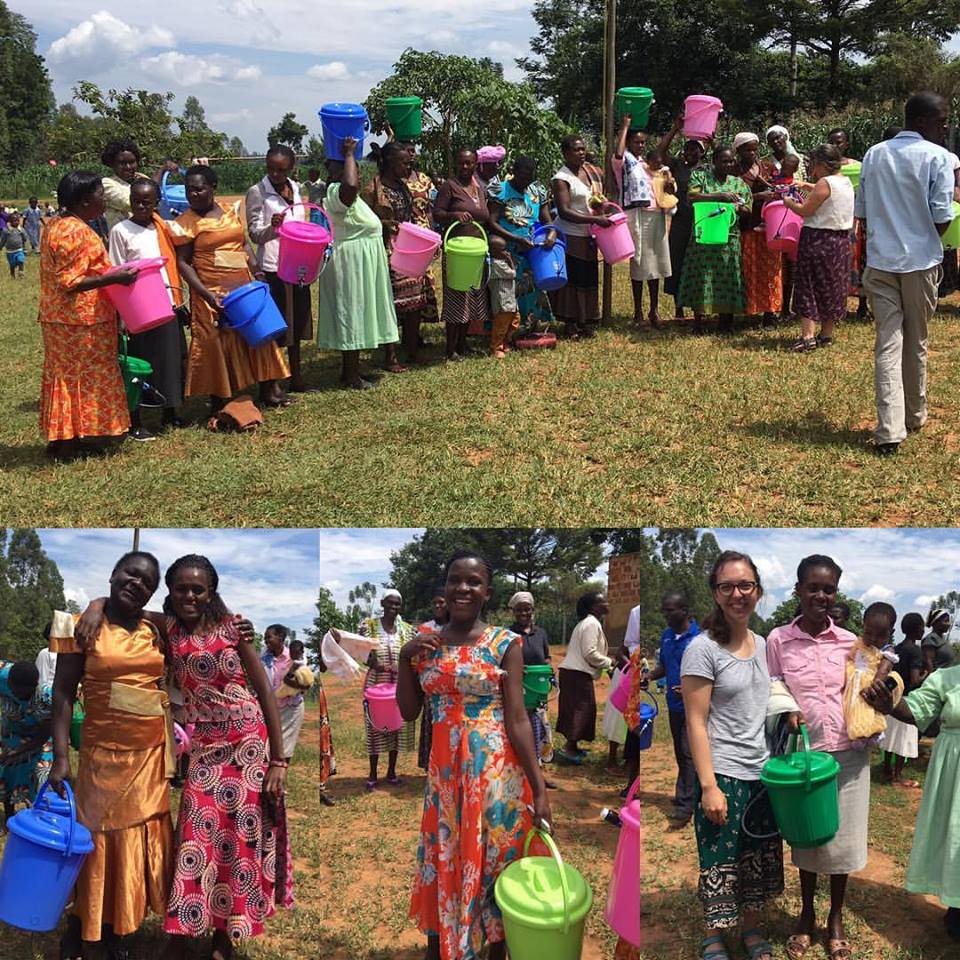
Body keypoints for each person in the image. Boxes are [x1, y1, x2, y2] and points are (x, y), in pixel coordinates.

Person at [397, 550, 552, 960]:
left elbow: (519, 719)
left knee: (496, 859)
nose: (462, 588)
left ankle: (493, 949)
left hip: (496, 775)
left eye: (473, 582)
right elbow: (409, 711)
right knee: (445, 853)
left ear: (487, 592)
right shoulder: (425, 639)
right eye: (455, 580)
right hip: (445, 777)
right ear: (445, 586)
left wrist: (540, 789)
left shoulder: (505, 643)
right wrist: (404, 657)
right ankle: (444, 944)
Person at [155, 554, 292, 960]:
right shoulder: (169, 629)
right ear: (171, 591)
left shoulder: (233, 627)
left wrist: (279, 761)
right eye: (181, 588)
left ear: (211, 591)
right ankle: (179, 934)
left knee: (238, 838)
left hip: (248, 742)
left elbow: (264, 689)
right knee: (196, 833)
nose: (190, 595)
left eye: (198, 588)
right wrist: (95, 606)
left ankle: (223, 937)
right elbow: (121, 606)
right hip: (206, 748)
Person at [48, 551, 173, 960]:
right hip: (103, 754)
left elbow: (189, 619)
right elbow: (64, 692)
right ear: (112, 574)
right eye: (130, 574)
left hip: (149, 755)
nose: (137, 583)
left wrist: (99, 603)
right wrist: (62, 758)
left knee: (134, 838)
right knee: (98, 838)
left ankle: (120, 924)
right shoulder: (78, 627)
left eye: (147, 582)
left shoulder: (153, 630)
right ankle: (84, 927)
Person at [681, 550, 781, 960]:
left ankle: (752, 930)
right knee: (720, 858)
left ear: (757, 590)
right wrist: (708, 786)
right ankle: (713, 934)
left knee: (756, 859)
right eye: (727, 586)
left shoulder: (763, 644)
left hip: (764, 773)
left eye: (745, 585)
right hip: (723, 772)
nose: (737, 594)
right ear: (715, 593)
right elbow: (696, 722)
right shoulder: (702, 649)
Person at [766, 555, 862, 960]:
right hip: (805, 755)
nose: (821, 596)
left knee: (842, 839)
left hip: (849, 754)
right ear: (798, 590)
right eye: (814, 588)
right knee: (808, 836)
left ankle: (834, 917)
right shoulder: (778, 640)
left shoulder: (850, 642)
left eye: (829, 589)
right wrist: (786, 707)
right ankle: (806, 914)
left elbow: (862, 688)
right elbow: (772, 684)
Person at [856, 92, 955, 455]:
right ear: (921, 122)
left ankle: (890, 429)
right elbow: (942, 215)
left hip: (881, 263)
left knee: (888, 343)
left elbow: (862, 211)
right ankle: (914, 414)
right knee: (917, 341)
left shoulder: (874, 154)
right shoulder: (937, 157)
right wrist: (924, 237)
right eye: (942, 121)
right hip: (920, 264)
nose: (945, 128)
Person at [171, 165, 289, 412]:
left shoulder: (228, 211)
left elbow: (243, 244)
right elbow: (183, 262)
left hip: (243, 287)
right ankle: (220, 399)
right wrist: (206, 294)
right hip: (211, 292)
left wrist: (257, 272)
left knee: (258, 333)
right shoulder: (185, 223)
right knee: (215, 342)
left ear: (213, 188)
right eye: (188, 190)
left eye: (199, 189)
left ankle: (269, 390)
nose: (193, 194)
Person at [39, 171, 138, 462]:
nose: (103, 200)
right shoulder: (75, 231)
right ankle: (70, 443)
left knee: (65, 378)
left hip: (62, 318)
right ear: (84, 201)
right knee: (81, 379)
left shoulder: (57, 224)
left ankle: (64, 439)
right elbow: (71, 281)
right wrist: (115, 278)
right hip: (81, 320)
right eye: (99, 195)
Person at [864, 657, 960, 942]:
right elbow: (916, 710)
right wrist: (889, 702)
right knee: (956, 835)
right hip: (955, 769)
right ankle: (957, 905)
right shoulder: (948, 677)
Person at [318, 136, 400, 389]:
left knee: (358, 310)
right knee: (350, 312)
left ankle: (351, 372)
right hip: (349, 262)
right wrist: (350, 154)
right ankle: (351, 376)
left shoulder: (344, 195)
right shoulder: (336, 191)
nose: (352, 170)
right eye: (345, 165)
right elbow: (351, 186)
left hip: (360, 260)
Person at [108, 178, 187, 437]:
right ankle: (135, 418)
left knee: (170, 360)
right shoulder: (121, 231)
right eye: (136, 201)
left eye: (147, 202)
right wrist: (122, 314)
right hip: (138, 307)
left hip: (167, 303)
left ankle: (170, 412)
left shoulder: (163, 228)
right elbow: (117, 269)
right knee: (138, 361)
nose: (141, 206)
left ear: (157, 203)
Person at [245, 144, 313, 393]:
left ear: (291, 169)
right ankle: (271, 383)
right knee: (276, 326)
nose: (275, 174)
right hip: (274, 266)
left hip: (297, 264)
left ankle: (297, 378)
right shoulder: (257, 192)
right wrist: (272, 228)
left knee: (296, 323)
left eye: (281, 170)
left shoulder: (295, 188)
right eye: (271, 169)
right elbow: (253, 234)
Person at [364, 141, 434, 366]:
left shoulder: (403, 187)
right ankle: (390, 355)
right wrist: (386, 225)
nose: (409, 167)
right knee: (390, 304)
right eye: (404, 163)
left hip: (407, 247)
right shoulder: (372, 189)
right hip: (384, 249)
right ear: (391, 163)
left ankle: (412, 349)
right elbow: (364, 221)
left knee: (415, 301)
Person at [782, 144, 855, 352]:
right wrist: (806, 184)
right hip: (840, 242)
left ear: (823, 164)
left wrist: (789, 203)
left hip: (818, 240)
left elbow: (805, 210)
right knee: (833, 286)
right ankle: (826, 335)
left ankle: (807, 337)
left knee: (809, 285)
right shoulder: (845, 181)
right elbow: (828, 194)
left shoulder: (824, 182)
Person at [678, 145, 753, 334]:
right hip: (704, 237)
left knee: (729, 276)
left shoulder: (739, 184)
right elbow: (692, 197)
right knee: (702, 276)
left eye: (731, 161)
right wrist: (719, 196)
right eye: (723, 161)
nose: (728, 164)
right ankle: (698, 322)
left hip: (729, 237)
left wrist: (737, 208)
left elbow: (748, 209)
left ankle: (725, 322)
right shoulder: (700, 177)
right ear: (714, 162)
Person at [612, 116, 674, 328]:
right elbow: (618, 153)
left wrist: (674, 128)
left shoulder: (648, 163)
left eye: (643, 142)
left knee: (655, 262)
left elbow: (661, 150)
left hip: (656, 214)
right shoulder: (624, 161)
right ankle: (638, 310)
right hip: (636, 215)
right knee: (639, 262)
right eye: (636, 141)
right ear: (629, 142)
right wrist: (626, 126)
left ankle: (654, 310)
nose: (640, 145)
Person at [550, 134, 613, 338]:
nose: (581, 152)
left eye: (583, 149)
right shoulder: (562, 178)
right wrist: (594, 221)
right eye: (576, 150)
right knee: (573, 280)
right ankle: (570, 323)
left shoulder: (589, 172)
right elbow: (564, 211)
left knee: (587, 278)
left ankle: (584, 321)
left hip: (588, 235)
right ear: (566, 153)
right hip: (570, 234)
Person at [645, 592, 700, 824]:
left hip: (696, 707)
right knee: (681, 753)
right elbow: (664, 667)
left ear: (685, 611)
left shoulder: (700, 639)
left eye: (670, 610)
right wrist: (648, 675)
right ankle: (690, 795)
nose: (665, 615)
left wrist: (691, 688)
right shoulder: (667, 636)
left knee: (689, 754)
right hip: (675, 706)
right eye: (664, 611)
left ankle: (686, 805)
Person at [486, 156, 557, 334]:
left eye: (530, 177)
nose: (526, 180)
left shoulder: (537, 191)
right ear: (513, 171)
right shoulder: (500, 190)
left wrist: (552, 233)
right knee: (507, 293)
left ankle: (529, 326)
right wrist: (516, 239)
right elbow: (491, 222)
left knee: (532, 290)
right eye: (523, 176)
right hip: (507, 251)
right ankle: (505, 333)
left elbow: (546, 219)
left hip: (532, 251)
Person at [434, 148, 492, 360]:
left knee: (472, 294)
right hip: (457, 250)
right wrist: (454, 215)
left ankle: (463, 343)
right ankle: (450, 349)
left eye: (469, 163)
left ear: (476, 164)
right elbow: (437, 214)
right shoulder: (449, 187)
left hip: (475, 250)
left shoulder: (479, 189)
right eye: (462, 163)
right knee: (456, 296)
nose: (465, 167)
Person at [358, 590, 416, 787]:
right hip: (376, 685)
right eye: (390, 604)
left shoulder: (408, 630)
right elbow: (362, 653)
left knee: (396, 727)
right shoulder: (369, 627)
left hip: (400, 686)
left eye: (397, 604)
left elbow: (413, 658)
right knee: (374, 727)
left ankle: (392, 771)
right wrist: (376, 664)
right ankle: (373, 774)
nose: (393, 608)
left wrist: (402, 668)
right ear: (382, 603)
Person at [658, 121, 708, 322]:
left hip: (702, 221)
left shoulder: (707, 169)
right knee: (677, 261)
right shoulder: (677, 167)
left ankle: (699, 307)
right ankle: (678, 306)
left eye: (695, 149)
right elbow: (660, 152)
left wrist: (712, 143)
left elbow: (727, 163)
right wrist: (674, 129)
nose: (690, 152)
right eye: (687, 148)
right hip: (680, 221)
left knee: (698, 265)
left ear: (701, 152)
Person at [556, 591, 614, 763]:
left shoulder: (588, 623)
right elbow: (590, 653)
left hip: (575, 673)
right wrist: (610, 662)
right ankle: (568, 749)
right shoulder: (590, 624)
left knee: (579, 709)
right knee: (580, 710)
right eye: (604, 601)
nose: (607, 604)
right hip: (577, 674)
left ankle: (573, 746)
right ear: (594, 607)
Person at [734, 132, 782, 326]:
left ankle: (770, 311)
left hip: (768, 226)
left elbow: (778, 188)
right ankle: (750, 309)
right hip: (745, 226)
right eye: (747, 149)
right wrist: (758, 196)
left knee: (770, 269)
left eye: (755, 149)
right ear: (738, 151)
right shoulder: (734, 171)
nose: (752, 153)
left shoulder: (766, 168)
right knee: (748, 269)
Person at [507, 591, 554, 780]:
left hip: (538, 689)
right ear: (514, 612)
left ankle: (538, 771)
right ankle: (520, 770)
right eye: (519, 610)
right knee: (520, 727)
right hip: (518, 689)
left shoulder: (540, 633)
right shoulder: (508, 634)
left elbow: (547, 656)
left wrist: (549, 667)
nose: (523, 613)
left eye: (526, 609)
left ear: (532, 610)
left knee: (540, 728)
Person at [842, 602, 902, 744]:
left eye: (880, 635)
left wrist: (873, 688)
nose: (873, 639)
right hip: (854, 682)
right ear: (863, 626)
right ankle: (856, 734)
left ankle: (872, 732)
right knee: (853, 708)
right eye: (868, 633)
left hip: (872, 685)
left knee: (868, 710)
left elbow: (883, 670)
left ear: (891, 632)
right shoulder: (859, 643)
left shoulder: (888, 651)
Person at [827, 128, 870, 323]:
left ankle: (863, 304)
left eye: (840, 142)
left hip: (857, 220)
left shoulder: (858, 166)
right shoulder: (825, 169)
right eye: (832, 142)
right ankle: (838, 307)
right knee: (838, 263)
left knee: (860, 260)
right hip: (834, 220)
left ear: (846, 144)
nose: (837, 145)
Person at [0, 660, 52, 821]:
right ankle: (9, 815)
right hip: (11, 732)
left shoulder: (46, 698)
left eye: (20, 692)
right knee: (6, 770)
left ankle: (38, 817)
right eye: (12, 688)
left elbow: (43, 736)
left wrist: (16, 752)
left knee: (42, 773)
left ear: (33, 686)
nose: (14, 693)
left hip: (39, 738)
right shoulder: (3, 674)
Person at [882, 611, 925, 786]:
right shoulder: (915, 651)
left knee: (891, 736)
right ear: (916, 630)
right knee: (904, 740)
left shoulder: (897, 648)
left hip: (891, 698)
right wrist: (926, 674)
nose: (924, 631)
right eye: (922, 627)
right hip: (907, 698)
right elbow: (914, 680)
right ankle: (897, 777)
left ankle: (886, 768)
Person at [101, 138, 176, 231]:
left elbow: (153, 193)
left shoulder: (140, 177)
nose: (128, 167)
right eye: (122, 163)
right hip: (124, 238)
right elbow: (137, 203)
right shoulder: (107, 184)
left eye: (132, 162)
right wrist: (162, 170)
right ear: (112, 163)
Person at [261, 624, 307, 763]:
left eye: (269, 637)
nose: (266, 641)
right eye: (265, 638)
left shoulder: (294, 657)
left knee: (285, 747)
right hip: (270, 708)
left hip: (290, 708)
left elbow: (304, 684)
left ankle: (280, 778)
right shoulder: (264, 658)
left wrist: (290, 682)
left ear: (280, 637)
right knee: (267, 745)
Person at [416, 586, 449, 772]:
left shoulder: (457, 628)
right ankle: (432, 768)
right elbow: (418, 657)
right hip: (431, 686)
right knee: (432, 726)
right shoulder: (424, 629)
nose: (438, 605)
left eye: (441, 602)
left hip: (452, 685)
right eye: (435, 602)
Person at [486, 235, 520, 357]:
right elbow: (513, 273)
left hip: (510, 300)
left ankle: (506, 341)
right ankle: (496, 347)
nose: (505, 252)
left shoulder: (501, 262)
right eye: (502, 250)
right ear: (493, 251)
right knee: (500, 326)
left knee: (515, 321)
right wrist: (509, 259)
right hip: (503, 302)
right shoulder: (495, 264)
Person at [314, 638, 337, 807]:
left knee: (322, 741)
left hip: (319, 696)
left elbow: (323, 667)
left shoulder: (321, 642)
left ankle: (321, 788)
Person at [923, 608, 955, 672]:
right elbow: (928, 662)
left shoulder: (942, 640)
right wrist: (934, 680)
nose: (949, 624)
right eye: (946, 621)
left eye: (948, 621)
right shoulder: (931, 639)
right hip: (938, 680)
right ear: (936, 623)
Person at [1, 212, 27, 279]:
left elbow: (25, 238)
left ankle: (21, 273)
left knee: (21, 260)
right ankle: (12, 275)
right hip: (10, 252)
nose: (16, 222)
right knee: (12, 264)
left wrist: (23, 235)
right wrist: (1, 246)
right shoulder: (6, 230)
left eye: (18, 220)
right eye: (14, 220)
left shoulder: (20, 229)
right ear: (10, 221)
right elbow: (3, 239)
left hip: (19, 249)